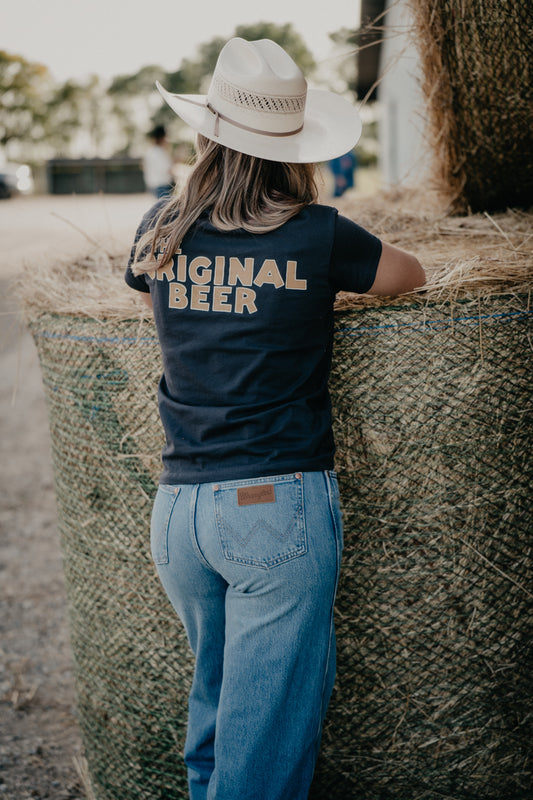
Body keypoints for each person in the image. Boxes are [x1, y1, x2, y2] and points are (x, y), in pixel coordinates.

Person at [125, 37, 425, 800]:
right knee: (263, 754)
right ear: (292, 146)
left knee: (219, 721)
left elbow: (141, 283)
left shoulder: (159, 228)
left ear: (206, 135)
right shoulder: (319, 233)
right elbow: (409, 277)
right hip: (270, 509)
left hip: (179, 512)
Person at [143, 124, 175, 198]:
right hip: (162, 186)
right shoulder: (159, 153)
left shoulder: (150, 151)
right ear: (162, 138)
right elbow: (168, 170)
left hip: (154, 185)